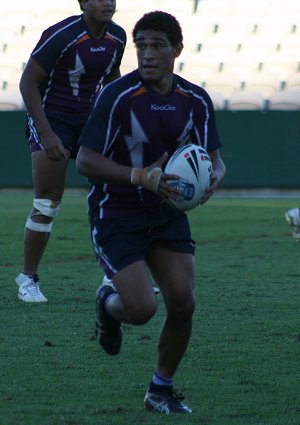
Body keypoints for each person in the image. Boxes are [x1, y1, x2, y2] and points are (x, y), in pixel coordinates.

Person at [76, 11, 226, 414]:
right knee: (141, 310)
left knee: (183, 301)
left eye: (157, 45)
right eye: (141, 45)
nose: (147, 53)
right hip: (117, 215)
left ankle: (160, 389)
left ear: (177, 49)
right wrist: (138, 176)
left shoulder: (195, 100)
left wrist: (213, 177)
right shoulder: (117, 96)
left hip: (166, 213)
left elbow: (215, 158)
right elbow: (85, 161)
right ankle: (108, 304)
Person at [16, 0, 126, 302]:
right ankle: (28, 279)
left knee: (116, 194)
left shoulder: (118, 36)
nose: (109, 2)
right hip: (53, 120)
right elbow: (28, 82)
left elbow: (112, 80)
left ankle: (116, 275)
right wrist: (47, 133)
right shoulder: (61, 34)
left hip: (88, 122)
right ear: (83, 3)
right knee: (47, 203)